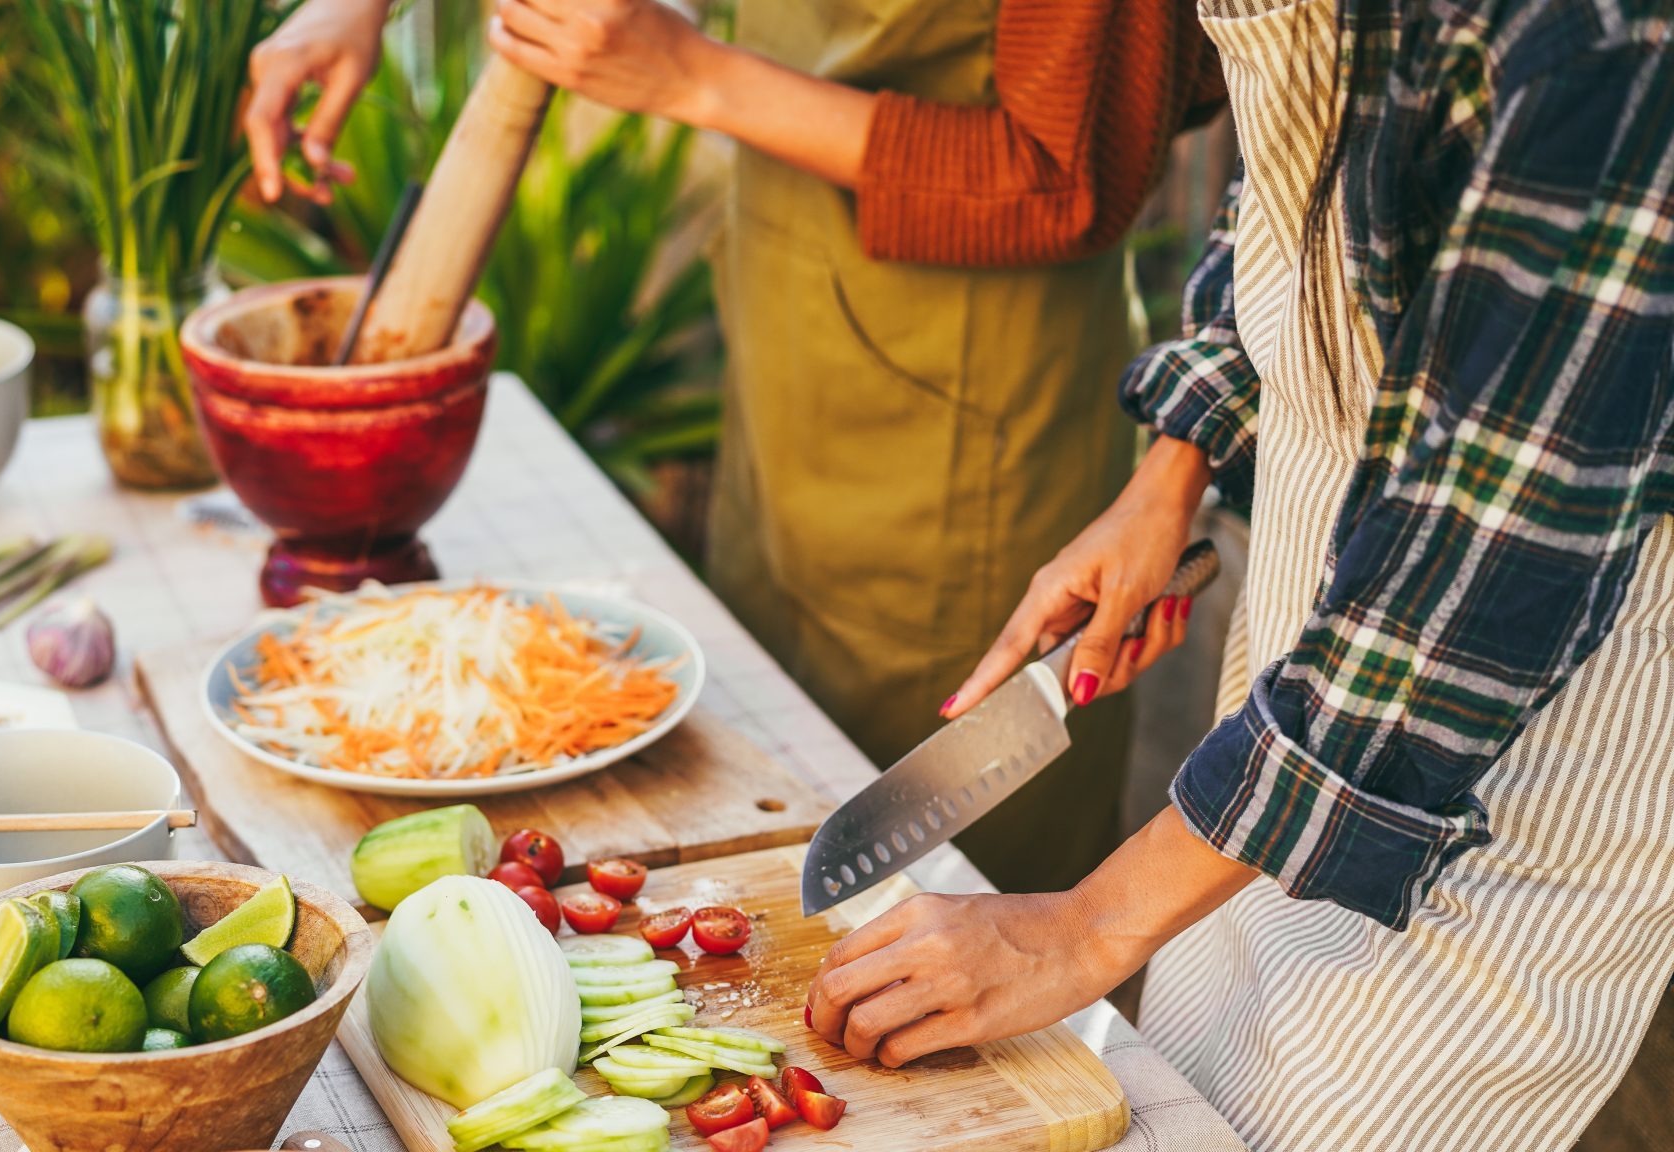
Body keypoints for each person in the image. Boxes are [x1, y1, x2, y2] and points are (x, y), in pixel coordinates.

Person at [805, 1, 1674, 1149]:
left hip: (1517, 723)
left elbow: (1473, 567)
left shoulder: (1607, 39)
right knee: (1185, 1094)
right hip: (1313, 656)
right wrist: (1173, 465)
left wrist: (1082, 930)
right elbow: (1286, 172)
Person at [243, 0, 1226, 895]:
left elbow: (1063, 182)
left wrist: (693, 77)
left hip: (969, 414)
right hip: (799, 335)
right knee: (774, 791)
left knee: (955, 891)